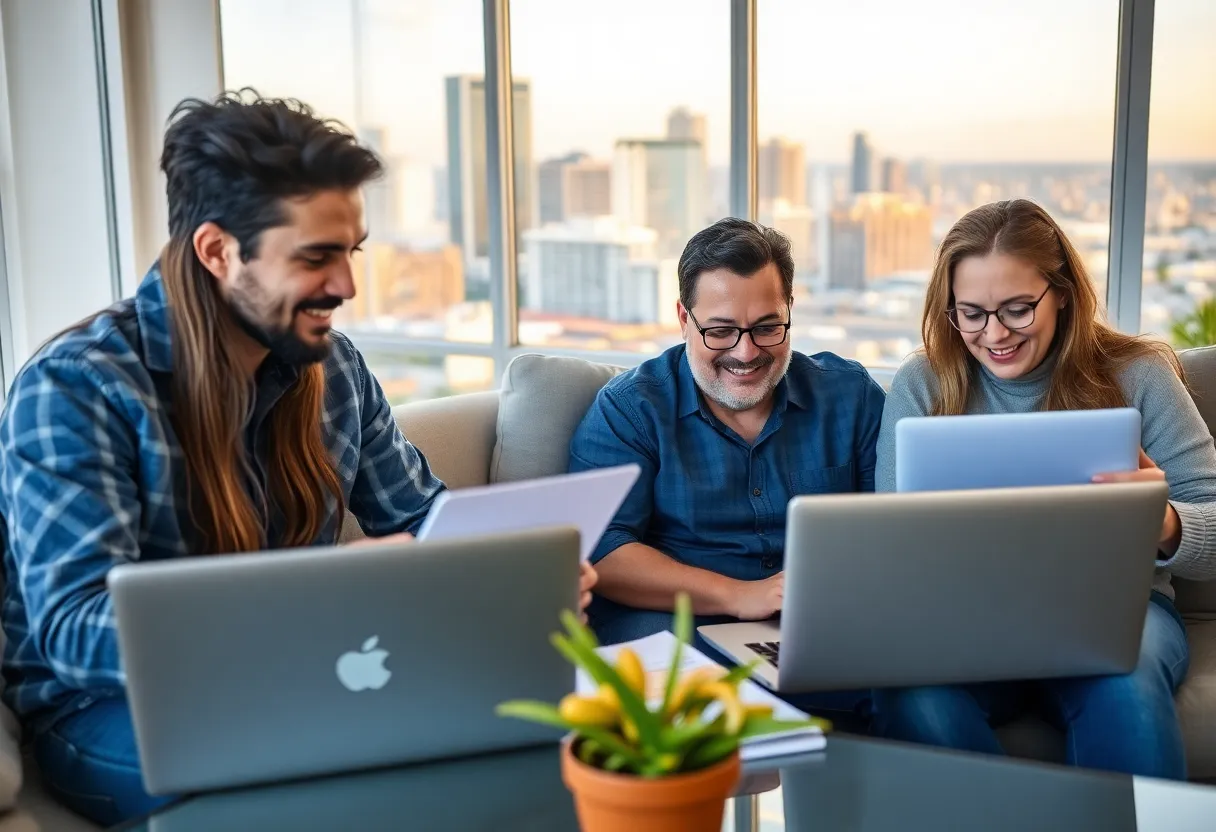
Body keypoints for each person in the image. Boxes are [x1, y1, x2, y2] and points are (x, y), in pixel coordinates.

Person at [0, 91, 595, 826]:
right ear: (218, 251)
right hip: (109, 711)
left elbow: (423, 514)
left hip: (308, 682)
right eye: (317, 257)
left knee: (551, 741)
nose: (347, 286)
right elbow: (76, 635)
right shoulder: (77, 387)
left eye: (351, 252)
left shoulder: (334, 369)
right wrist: (328, 591)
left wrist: (522, 571)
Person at [872, 198, 1216, 780]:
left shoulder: (1137, 375)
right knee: (913, 696)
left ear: (1060, 292)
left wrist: (1161, 522)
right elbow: (891, 546)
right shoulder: (923, 383)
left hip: (1115, 614)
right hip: (962, 625)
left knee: (1126, 690)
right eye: (971, 313)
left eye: (1017, 309)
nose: (995, 334)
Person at [567, 217, 886, 721]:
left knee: (925, 697)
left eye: (766, 327)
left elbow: (892, 527)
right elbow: (600, 552)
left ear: (789, 311)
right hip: (681, 628)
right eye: (720, 331)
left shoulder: (850, 396)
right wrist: (741, 596)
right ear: (682, 318)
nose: (746, 351)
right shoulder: (631, 409)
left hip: (823, 625)